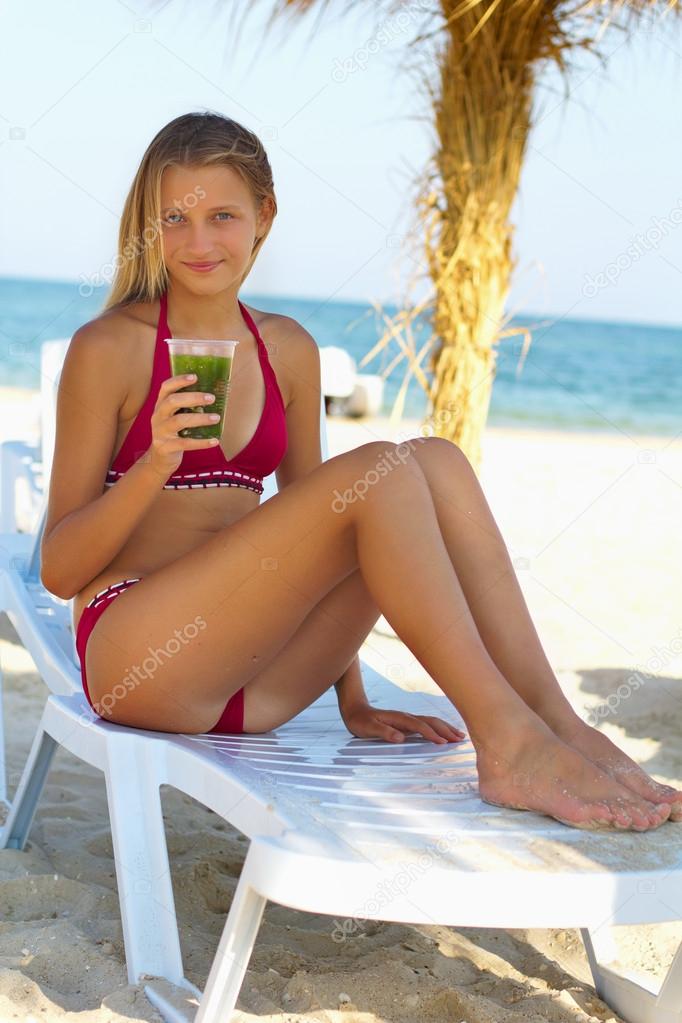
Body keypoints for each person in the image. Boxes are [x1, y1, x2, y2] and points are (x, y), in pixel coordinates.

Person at [40, 110, 681, 833]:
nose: (198, 241)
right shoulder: (111, 348)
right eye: (175, 218)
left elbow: (327, 521)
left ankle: (558, 722)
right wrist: (154, 463)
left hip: (257, 682)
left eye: (221, 215)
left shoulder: (287, 349)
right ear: (148, 225)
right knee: (381, 470)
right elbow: (60, 569)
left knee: (432, 460)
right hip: (142, 660)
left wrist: (354, 701)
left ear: (264, 215)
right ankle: (507, 740)